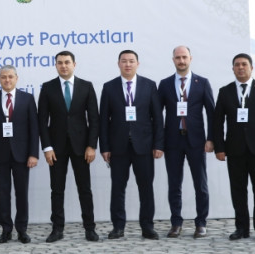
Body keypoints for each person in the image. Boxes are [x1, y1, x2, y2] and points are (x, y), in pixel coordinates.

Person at [212, 53, 255, 241]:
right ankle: (241, 227)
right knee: (238, 190)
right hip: (235, 150)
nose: (241, 67)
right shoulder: (225, 91)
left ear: (251, 68)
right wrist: (219, 147)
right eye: (237, 65)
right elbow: (217, 122)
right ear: (233, 69)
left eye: (244, 64)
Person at [99, 49, 163, 240]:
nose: (128, 64)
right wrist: (105, 147)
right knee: (118, 188)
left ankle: (147, 227)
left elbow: (158, 118)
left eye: (131, 61)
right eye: (124, 61)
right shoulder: (109, 87)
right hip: (118, 147)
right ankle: (118, 227)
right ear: (118, 63)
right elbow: (103, 120)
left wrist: (158, 144)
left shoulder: (149, 85)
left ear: (138, 63)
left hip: (144, 146)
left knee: (146, 188)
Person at [37, 51, 100, 242]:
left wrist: (91, 146)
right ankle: (57, 229)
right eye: (60, 63)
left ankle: (90, 228)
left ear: (74, 64)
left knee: (85, 189)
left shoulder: (86, 86)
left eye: (67, 62)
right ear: (56, 65)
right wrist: (47, 148)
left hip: (81, 147)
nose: (63, 66)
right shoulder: (47, 87)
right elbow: (42, 121)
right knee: (57, 190)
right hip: (56, 149)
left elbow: (94, 119)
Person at [157, 46, 215, 239]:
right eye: (178, 57)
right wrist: (158, 142)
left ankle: (201, 223)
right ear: (173, 60)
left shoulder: (202, 82)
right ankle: (176, 223)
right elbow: (157, 115)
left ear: (191, 58)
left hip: (196, 141)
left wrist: (211, 138)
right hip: (172, 141)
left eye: (184, 57)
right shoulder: (165, 84)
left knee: (201, 184)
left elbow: (212, 113)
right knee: (174, 184)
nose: (181, 61)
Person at [0, 65, 40, 244]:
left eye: (10, 77)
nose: (7, 80)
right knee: (3, 193)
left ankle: (22, 229)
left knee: (22, 193)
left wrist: (33, 154)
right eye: (3, 77)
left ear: (16, 78)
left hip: (22, 156)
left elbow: (34, 128)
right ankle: (6, 229)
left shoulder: (27, 99)